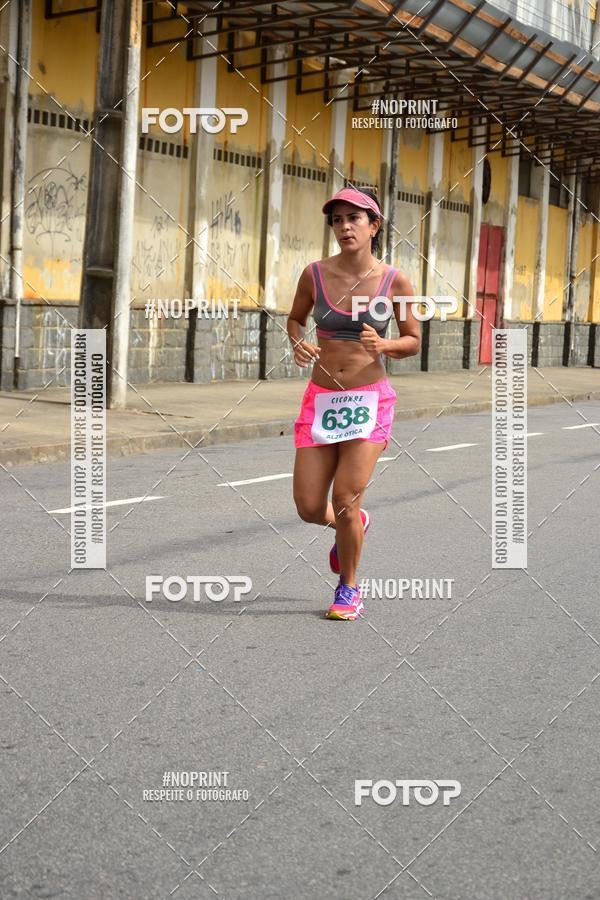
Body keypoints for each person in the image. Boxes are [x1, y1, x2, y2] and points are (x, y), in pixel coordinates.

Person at [287, 186, 421, 620]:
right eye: (337, 220)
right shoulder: (314, 274)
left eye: (354, 219)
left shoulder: (394, 279)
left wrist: (384, 343)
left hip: (368, 399)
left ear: (373, 225)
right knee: (310, 507)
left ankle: (348, 588)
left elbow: (414, 340)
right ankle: (354, 526)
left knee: (346, 497)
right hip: (322, 399)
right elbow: (295, 318)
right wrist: (297, 342)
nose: (344, 227)